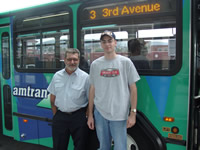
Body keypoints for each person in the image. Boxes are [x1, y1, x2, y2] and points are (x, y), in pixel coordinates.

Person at [87, 30, 140, 150]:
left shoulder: (126, 62)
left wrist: (133, 113)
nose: (107, 44)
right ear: (101, 44)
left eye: (110, 41)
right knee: (103, 147)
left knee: (120, 147)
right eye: (104, 42)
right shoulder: (95, 64)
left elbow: (133, 89)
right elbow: (92, 89)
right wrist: (90, 114)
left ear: (115, 43)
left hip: (119, 114)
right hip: (100, 113)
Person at [47, 48, 89, 150]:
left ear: (79, 60)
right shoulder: (57, 76)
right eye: (69, 59)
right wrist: (56, 114)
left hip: (79, 118)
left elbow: (90, 100)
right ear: (64, 60)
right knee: (59, 146)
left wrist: (86, 116)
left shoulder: (86, 77)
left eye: (75, 59)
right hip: (60, 117)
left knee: (80, 147)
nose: (72, 62)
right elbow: (52, 98)